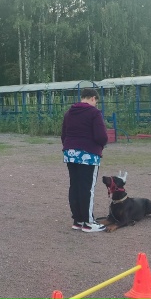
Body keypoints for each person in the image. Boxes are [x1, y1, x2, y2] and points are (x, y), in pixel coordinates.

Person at [61, 88, 108, 232]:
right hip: (88, 154)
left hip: (70, 153)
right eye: (96, 101)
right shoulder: (94, 113)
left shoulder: (69, 113)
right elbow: (101, 136)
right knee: (87, 188)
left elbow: (64, 134)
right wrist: (101, 145)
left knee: (75, 186)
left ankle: (78, 220)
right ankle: (88, 223)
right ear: (93, 98)